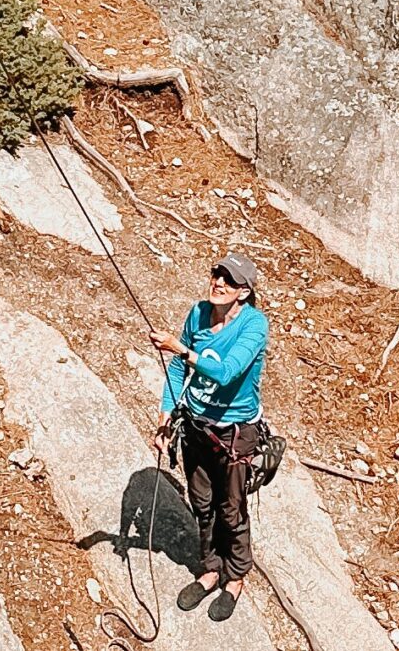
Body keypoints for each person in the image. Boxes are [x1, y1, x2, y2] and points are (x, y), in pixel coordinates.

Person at [149, 252, 271, 622]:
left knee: (230, 508)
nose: (218, 283)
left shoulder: (254, 325)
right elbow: (175, 368)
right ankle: (211, 569)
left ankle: (236, 576)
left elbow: (227, 372)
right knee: (202, 503)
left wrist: (182, 349)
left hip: (235, 432)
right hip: (196, 428)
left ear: (245, 292)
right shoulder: (198, 313)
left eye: (229, 280)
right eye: (217, 274)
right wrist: (167, 412)